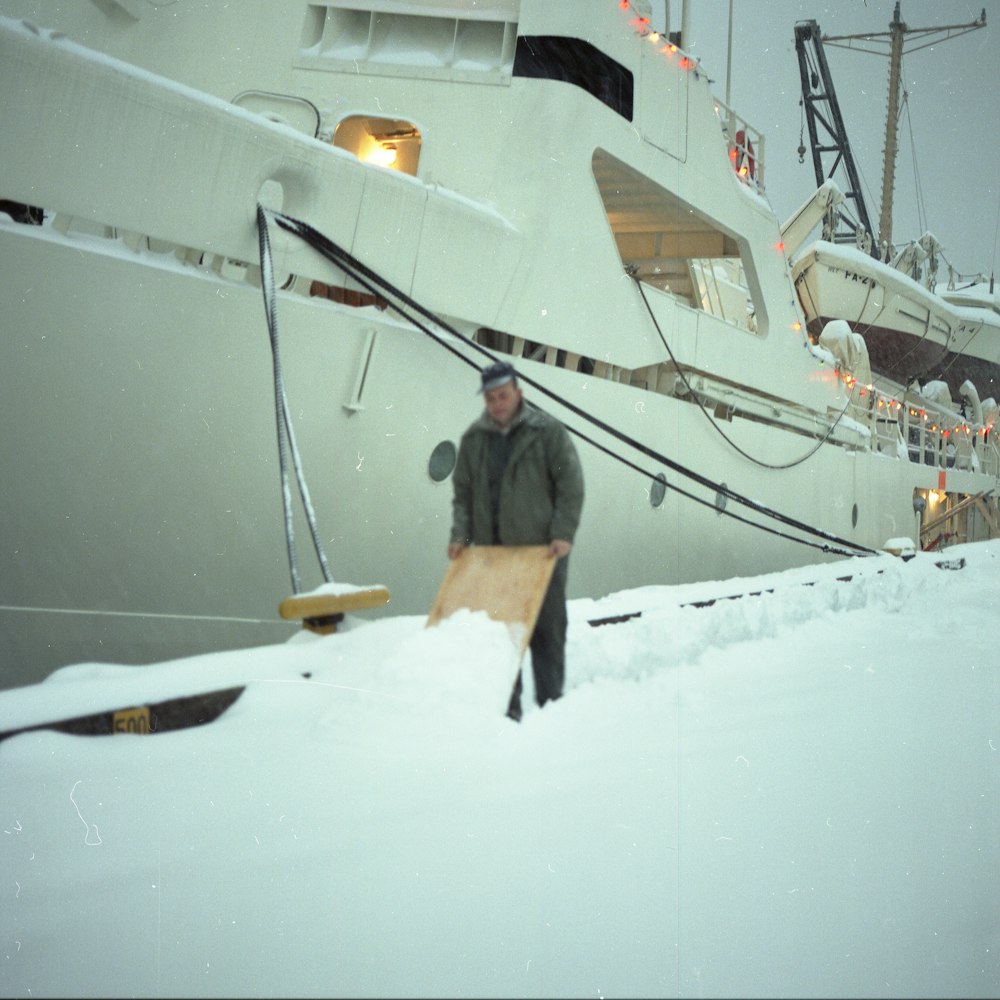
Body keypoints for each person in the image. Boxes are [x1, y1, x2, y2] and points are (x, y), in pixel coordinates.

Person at [448, 361, 585, 721]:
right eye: (491, 398)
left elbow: (571, 484)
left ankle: (551, 707)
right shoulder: (474, 439)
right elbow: (462, 493)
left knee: (547, 632)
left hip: (543, 554)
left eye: (503, 395)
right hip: (494, 558)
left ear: (518, 393)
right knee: (501, 637)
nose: (498, 404)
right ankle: (507, 714)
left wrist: (563, 533)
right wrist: (459, 536)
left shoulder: (548, 432)